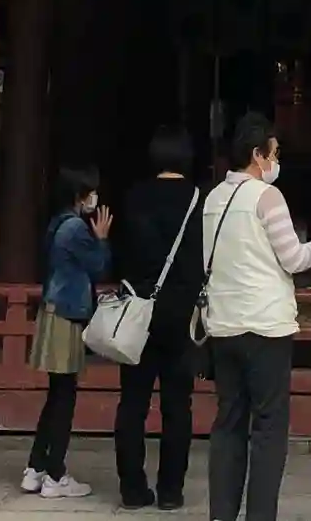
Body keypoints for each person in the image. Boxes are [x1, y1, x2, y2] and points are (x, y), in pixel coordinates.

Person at [201, 111, 311, 521]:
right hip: (265, 328)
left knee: (228, 424)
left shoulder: (213, 199)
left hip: (223, 326)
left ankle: (221, 515)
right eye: (274, 153)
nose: (276, 161)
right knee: (267, 429)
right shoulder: (267, 197)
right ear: (257, 154)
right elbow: (294, 258)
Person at [113, 125, 206, 510]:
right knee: (177, 406)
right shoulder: (199, 199)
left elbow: (121, 253)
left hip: (138, 311)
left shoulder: (134, 196)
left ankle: (132, 488)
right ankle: (170, 491)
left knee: (132, 403)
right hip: (181, 315)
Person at [22, 161, 113, 500]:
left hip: (53, 311)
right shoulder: (75, 228)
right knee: (64, 398)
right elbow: (98, 267)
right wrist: (101, 240)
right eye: (92, 192)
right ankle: (55, 475)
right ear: (80, 194)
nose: (95, 198)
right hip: (67, 315)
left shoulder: (57, 223)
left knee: (56, 395)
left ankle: (36, 468)